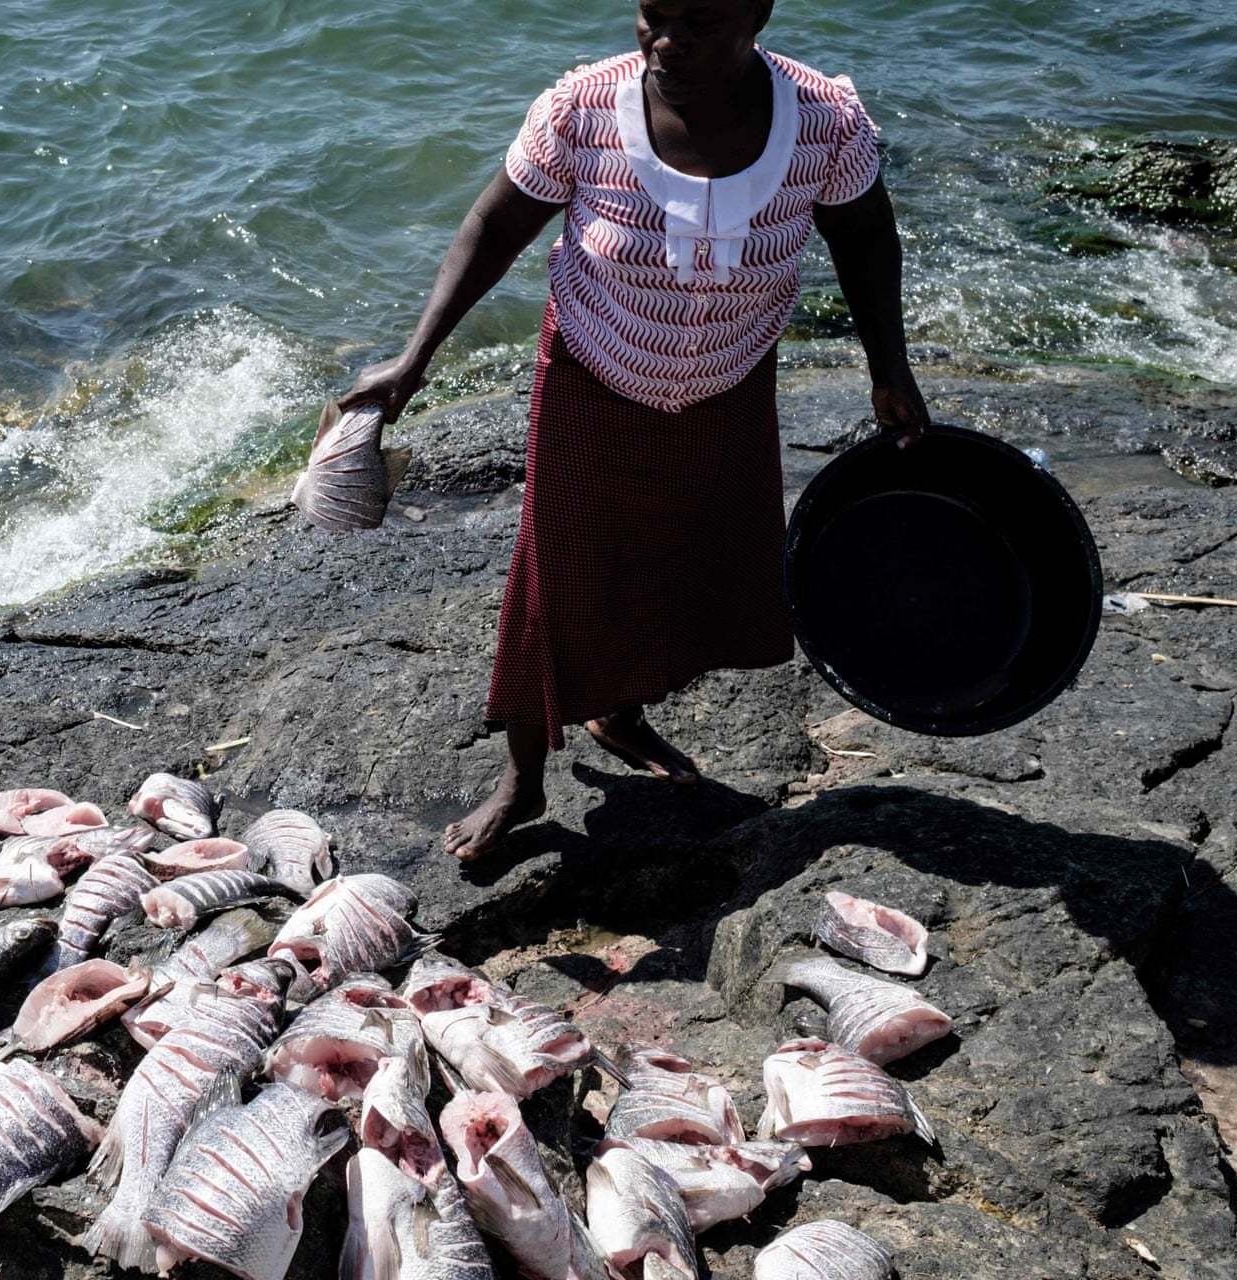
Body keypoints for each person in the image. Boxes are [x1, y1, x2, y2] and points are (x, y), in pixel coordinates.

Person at [339, 0, 929, 861]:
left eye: (699, 22)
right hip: (593, 373)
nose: (665, 42)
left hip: (729, 377)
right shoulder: (583, 111)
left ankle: (619, 712)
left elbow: (866, 237)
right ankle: (523, 776)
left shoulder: (824, 122)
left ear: (758, 12)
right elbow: (494, 226)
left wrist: (891, 368)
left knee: (682, 564)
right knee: (557, 579)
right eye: (653, 15)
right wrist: (414, 357)